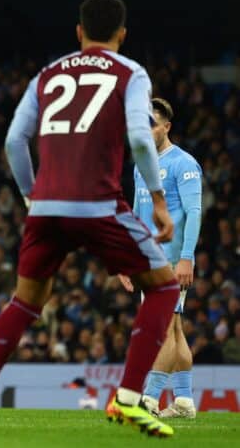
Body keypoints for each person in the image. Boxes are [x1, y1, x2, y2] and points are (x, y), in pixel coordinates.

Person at [0, 0, 180, 437]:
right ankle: (130, 398)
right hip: (98, 204)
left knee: (24, 302)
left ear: (78, 32)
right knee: (164, 287)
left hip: (46, 208)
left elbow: (14, 141)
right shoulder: (131, 72)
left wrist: (29, 198)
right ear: (122, 34)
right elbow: (139, 136)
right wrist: (156, 198)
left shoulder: (48, 73)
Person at [118, 98, 202, 418]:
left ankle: (149, 400)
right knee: (175, 328)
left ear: (166, 127)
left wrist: (186, 258)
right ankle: (183, 399)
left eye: (152, 123)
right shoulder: (143, 164)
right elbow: (140, 215)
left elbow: (193, 213)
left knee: (162, 329)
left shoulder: (184, 164)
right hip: (149, 260)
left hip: (170, 260)